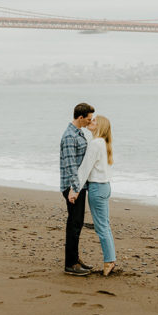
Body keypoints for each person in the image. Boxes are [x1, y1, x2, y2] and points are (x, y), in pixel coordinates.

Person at [68, 115, 117, 276]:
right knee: (105, 225)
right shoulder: (103, 143)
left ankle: (109, 261)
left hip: (97, 188)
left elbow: (84, 169)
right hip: (105, 186)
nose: (91, 122)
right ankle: (110, 259)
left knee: (102, 226)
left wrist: (74, 190)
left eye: (94, 121)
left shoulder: (96, 144)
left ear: (100, 126)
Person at [60, 102, 95, 276]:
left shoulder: (78, 133)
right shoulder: (69, 137)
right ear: (80, 118)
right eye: (88, 119)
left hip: (78, 185)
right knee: (74, 224)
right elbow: (70, 165)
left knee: (77, 223)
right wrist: (75, 188)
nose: (90, 122)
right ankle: (70, 264)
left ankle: (75, 259)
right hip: (72, 186)